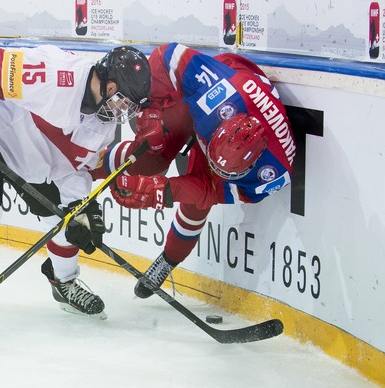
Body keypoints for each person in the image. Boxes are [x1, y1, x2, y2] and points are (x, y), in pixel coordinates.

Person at [0, 44, 151, 339]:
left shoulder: (103, 125)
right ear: (109, 86)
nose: (123, 113)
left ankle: (64, 283)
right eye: (123, 102)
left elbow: (73, 169)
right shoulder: (57, 74)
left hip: (33, 160)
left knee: (65, 223)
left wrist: (79, 209)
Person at [93, 42, 295, 298]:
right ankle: (84, 167)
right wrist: (150, 108)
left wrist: (162, 191)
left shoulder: (272, 174)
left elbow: (207, 191)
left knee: (196, 206)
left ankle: (169, 259)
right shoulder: (219, 95)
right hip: (208, 108)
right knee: (152, 156)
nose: (208, 165)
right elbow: (164, 55)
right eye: (209, 157)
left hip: (227, 132)